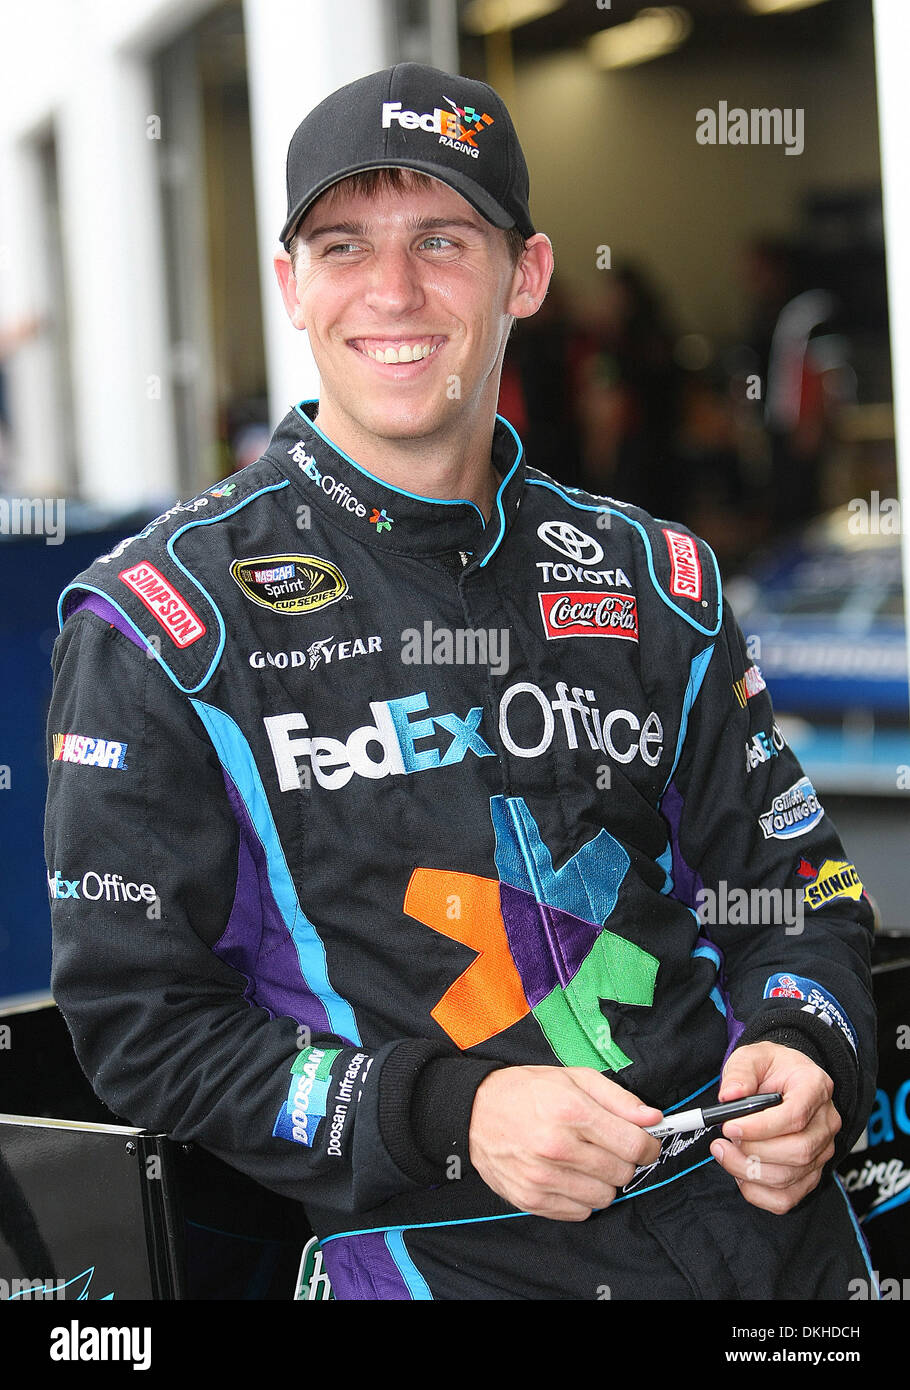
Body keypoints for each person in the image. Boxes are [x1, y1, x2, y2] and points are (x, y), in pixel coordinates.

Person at [45, 63, 877, 1301]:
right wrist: (450, 1109)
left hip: (765, 1244)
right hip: (443, 1261)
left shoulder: (659, 578)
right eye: (342, 246)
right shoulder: (167, 619)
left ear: (525, 275)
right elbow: (142, 1025)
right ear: (292, 286)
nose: (391, 292)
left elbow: (797, 892)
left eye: (441, 239)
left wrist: (809, 1044)